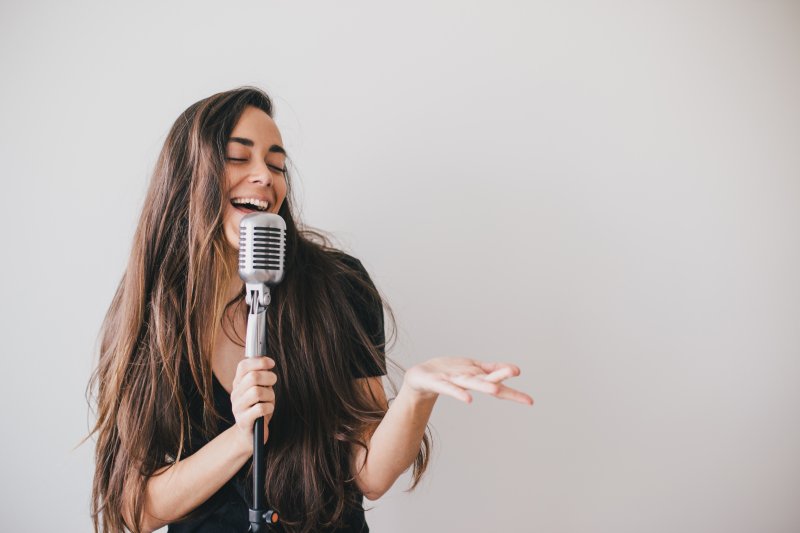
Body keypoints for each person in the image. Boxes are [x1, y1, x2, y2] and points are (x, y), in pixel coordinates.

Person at [86, 86, 533, 533]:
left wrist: (415, 395)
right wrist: (242, 439)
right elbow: (134, 510)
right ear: (188, 176)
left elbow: (370, 476)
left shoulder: (336, 286)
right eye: (240, 158)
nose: (265, 176)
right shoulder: (153, 311)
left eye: (277, 164)